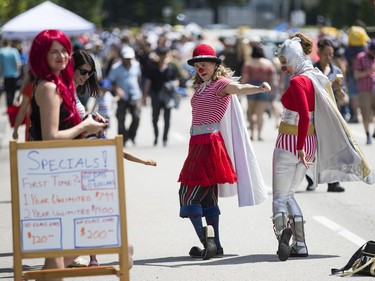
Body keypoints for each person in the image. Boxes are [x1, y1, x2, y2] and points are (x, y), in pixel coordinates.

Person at [272, 33, 375, 262]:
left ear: (294, 58)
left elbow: (303, 116)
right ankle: (301, 245)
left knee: (279, 197)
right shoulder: (314, 77)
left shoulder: (299, 81)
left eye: (285, 62)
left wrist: (298, 146)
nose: (284, 68)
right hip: (307, 144)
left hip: (291, 142)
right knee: (290, 195)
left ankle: (282, 236)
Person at [178, 44, 270, 260]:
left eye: (205, 64)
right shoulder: (201, 87)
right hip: (198, 143)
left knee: (187, 194)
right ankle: (216, 245)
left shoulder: (221, 84)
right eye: (197, 65)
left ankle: (205, 239)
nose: (200, 69)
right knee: (208, 196)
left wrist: (258, 88)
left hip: (208, 144)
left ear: (215, 65)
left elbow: (238, 88)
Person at [27, 29, 107, 280]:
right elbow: (51, 137)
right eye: (54, 51)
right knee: (85, 235)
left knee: (60, 249)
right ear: (42, 54)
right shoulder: (49, 87)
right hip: (56, 174)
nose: (62, 55)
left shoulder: (53, 84)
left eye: (64, 49)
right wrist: (86, 126)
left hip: (58, 171)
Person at [305, 37, 348, 192]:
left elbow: (343, 98)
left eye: (331, 54)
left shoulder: (337, 71)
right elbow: (309, 92)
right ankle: (311, 179)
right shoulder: (312, 71)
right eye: (326, 54)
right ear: (319, 53)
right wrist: (328, 85)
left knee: (333, 148)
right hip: (315, 114)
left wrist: (338, 90)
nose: (329, 57)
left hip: (332, 115)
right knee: (312, 148)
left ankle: (333, 182)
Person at [142, 47, 180, 147]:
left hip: (167, 96)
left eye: (165, 55)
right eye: (161, 55)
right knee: (155, 118)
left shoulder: (171, 68)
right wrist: (144, 96)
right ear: (158, 56)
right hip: (156, 95)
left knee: (167, 119)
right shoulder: (153, 68)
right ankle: (156, 137)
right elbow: (148, 82)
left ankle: (165, 139)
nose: (163, 57)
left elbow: (176, 80)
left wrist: (173, 85)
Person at [240, 44, 277, 141]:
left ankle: (252, 134)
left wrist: (240, 88)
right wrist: (272, 90)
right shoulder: (268, 63)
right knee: (260, 114)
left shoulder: (248, 63)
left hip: (251, 88)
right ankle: (259, 135)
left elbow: (245, 77)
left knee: (251, 112)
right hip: (264, 87)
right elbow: (272, 78)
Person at [108, 45, 142, 146]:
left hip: (135, 95)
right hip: (122, 97)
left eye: (129, 59)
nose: (128, 61)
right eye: (126, 58)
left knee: (136, 117)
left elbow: (138, 77)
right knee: (121, 119)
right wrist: (117, 89)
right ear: (122, 57)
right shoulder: (115, 68)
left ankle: (132, 136)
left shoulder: (136, 65)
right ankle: (123, 139)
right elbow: (110, 82)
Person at [353, 39, 375, 145]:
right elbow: (357, 75)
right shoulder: (361, 57)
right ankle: (367, 135)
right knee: (365, 114)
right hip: (365, 91)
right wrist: (369, 71)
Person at [12, 68, 35, 141]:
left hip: (32, 126)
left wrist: (15, 129)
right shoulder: (55, 85)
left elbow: (22, 111)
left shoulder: (30, 88)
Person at [0, 39, 22, 107]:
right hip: (14, 74)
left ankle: (9, 105)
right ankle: (11, 105)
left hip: (5, 75)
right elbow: (18, 63)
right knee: (13, 91)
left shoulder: (1, 52)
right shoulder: (14, 51)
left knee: (7, 92)